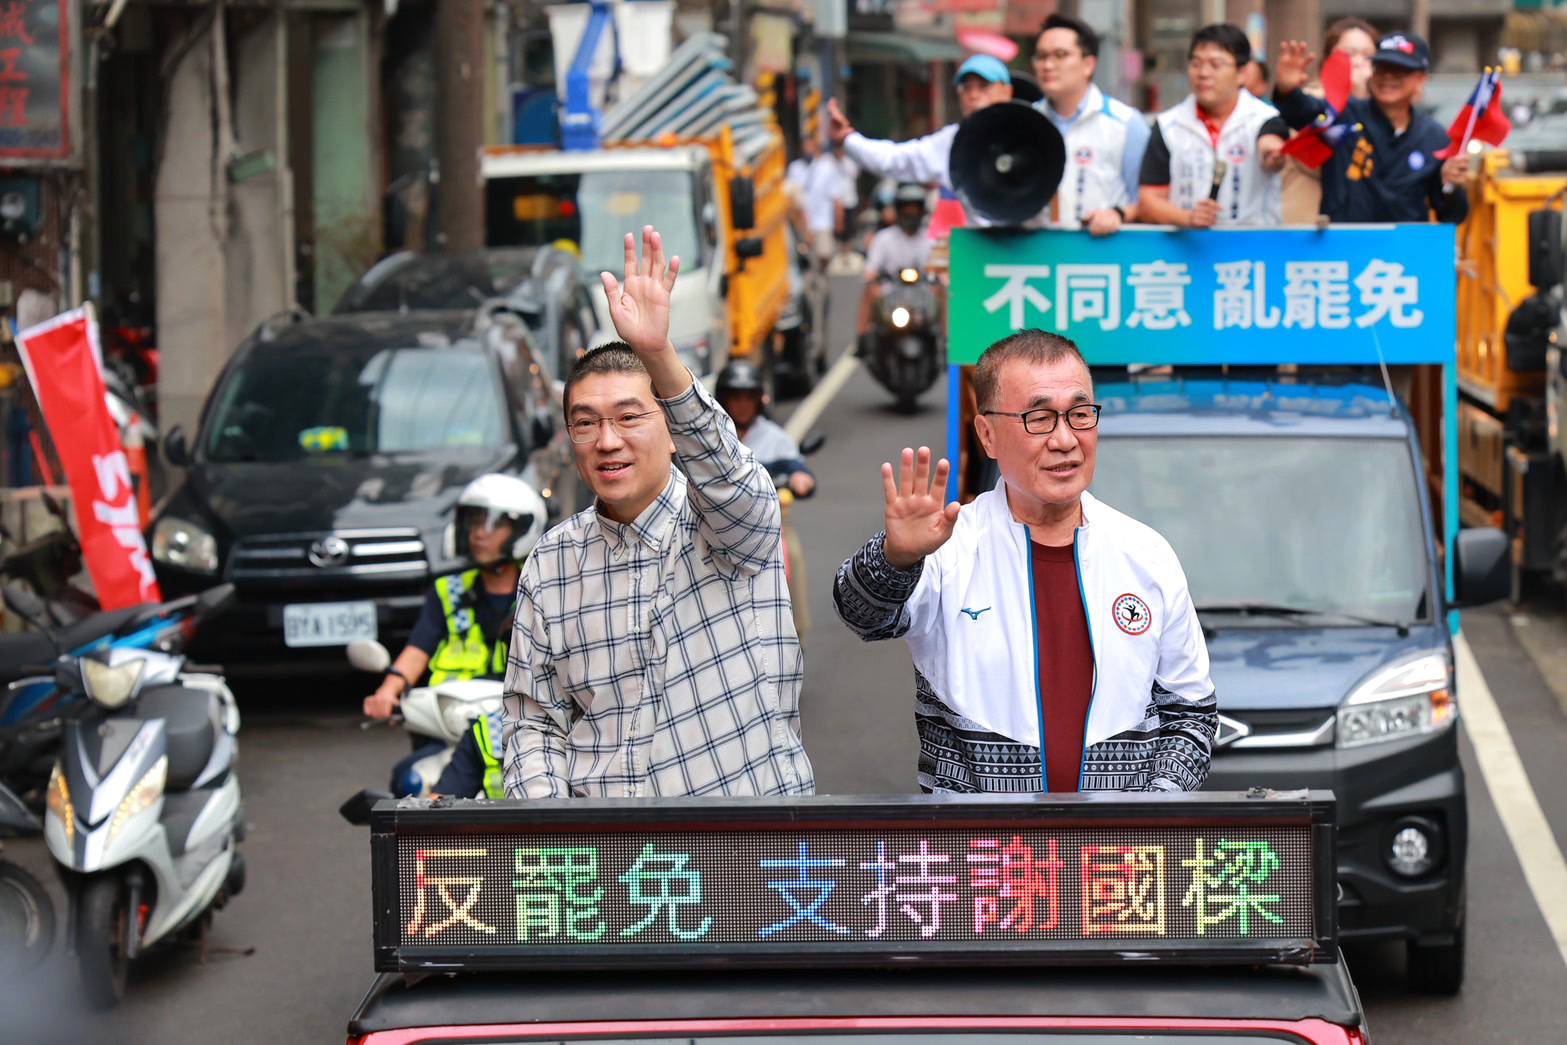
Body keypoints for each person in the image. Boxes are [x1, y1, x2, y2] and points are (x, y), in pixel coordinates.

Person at [502, 225, 814, 798]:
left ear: (671, 429)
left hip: (746, 852)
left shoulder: (725, 525)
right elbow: (532, 722)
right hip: (607, 863)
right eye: (587, 422)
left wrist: (659, 355)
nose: (608, 440)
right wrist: (552, 831)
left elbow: (730, 480)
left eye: (629, 416)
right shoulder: (551, 563)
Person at [832, 330, 1216, 794]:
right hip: (982, 857)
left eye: (1079, 414)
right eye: (1039, 418)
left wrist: (1147, 813)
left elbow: (1191, 714)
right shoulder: (949, 549)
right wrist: (896, 558)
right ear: (988, 434)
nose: (1065, 439)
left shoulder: (1146, 554)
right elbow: (861, 616)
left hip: (1117, 858)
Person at [362, 473, 547, 797]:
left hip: (516, 722)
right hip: (447, 725)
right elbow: (419, 647)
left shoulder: (544, 591)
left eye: (492, 525)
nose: (478, 534)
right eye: (473, 523)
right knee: (409, 780)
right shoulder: (448, 591)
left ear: (521, 529)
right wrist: (389, 690)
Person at [1273, 32, 1469, 225]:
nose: (1388, 77)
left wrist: (1449, 184)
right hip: (1345, 247)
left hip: (1403, 253)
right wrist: (1287, 91)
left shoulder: (1434, 137)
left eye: (1399, 71)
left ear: (1421, 79)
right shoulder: (1343, 113)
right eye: (1381, 68)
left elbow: (1452, 215)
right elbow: (1300, 112)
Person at [827, 55, 1013, 226]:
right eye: (967, 87)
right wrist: (848, 139)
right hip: (978, 250)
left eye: (983, 86)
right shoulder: (952, 143)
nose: (973, 95)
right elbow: (894, 159)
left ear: (1007, 91)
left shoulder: (1030, 132)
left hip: (1034, 249)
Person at [1138, 23, 1290, 228]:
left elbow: (1271, 147)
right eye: (1196, 63)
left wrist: (1273, 155)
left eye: (1215, 64)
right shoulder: (1168, 126)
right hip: (1187, 254)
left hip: (1255, 254)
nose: (1203, 73)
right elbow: (1148, 201)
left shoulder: (1265, 119)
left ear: (1241, 73)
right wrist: (1188, 218)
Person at [716, 360, 816, 635]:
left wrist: (800, 479)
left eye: (748, 397)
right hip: (716, 529)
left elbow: (797, 469)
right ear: (724, 398)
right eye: (736, 397)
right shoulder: (712, 436)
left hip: (770, 527)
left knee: (792, 556)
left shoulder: (774, 437)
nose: (742, 404)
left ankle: (797, 635)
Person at [1030, 13, 1151, 235]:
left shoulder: (1125, 123)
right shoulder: (1024, 122)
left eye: (1060, 55)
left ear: (1088, 64)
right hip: (1036, 256)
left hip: (1102, 256)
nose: (1047, 65)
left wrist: (1117, 214)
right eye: (1041, 56)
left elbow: (1148, 200)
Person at [1281, 18, 1379, 223]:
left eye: (1368, 55)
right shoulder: (1312, 103)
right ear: (1327, 60)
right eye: (1349, 54)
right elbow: (1311, 159)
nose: (1359, 61)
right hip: (1308, 221)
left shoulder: (1382, 111)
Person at [858, 184, 935, 335]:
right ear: (899, 211)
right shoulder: (884, 238)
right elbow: (871, 270)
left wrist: (943, 281)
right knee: (870, 291)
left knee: (943, 293)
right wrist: (870, 278)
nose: (911, 214)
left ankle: (947, 341)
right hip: (891, 290)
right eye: (907, 210)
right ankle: (862, 335)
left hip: (923, 291)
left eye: (915, 209)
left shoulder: (931, 240)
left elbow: (942, 273)